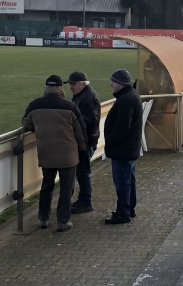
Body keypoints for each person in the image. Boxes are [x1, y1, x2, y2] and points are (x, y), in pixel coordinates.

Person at [22, 75, 87, 232]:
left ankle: (43, 219)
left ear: (46, 87)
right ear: (61, 88)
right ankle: (62, 221)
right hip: (68, 155)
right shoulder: (70, 106)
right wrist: (83, 150)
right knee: (66, 188)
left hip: (46, 153)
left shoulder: (34, 105)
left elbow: (26, 123)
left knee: (47, 186)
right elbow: (80, 131)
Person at [104, 69, 143, 224]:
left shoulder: (126, 99)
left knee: (122, 183)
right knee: (128, 181)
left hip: (123, 150)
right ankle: (128, 209)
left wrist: (111, 141)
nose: (111, 84)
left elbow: (122, 127)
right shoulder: (131, 95)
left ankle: (123, 213)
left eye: (113, 81)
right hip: (129, 149)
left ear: (120, 83)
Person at [66, 71, 100, 214]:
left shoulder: (86, 98)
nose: (71, 87)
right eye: (70, 84)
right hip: (86, 140)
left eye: (73, 84)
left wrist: (70, 124)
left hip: (86, 141)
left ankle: (86, 202)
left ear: (82, 83)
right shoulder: (84, 95)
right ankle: (83, 199)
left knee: (83, 172)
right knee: (82, 172)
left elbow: (90, 121)